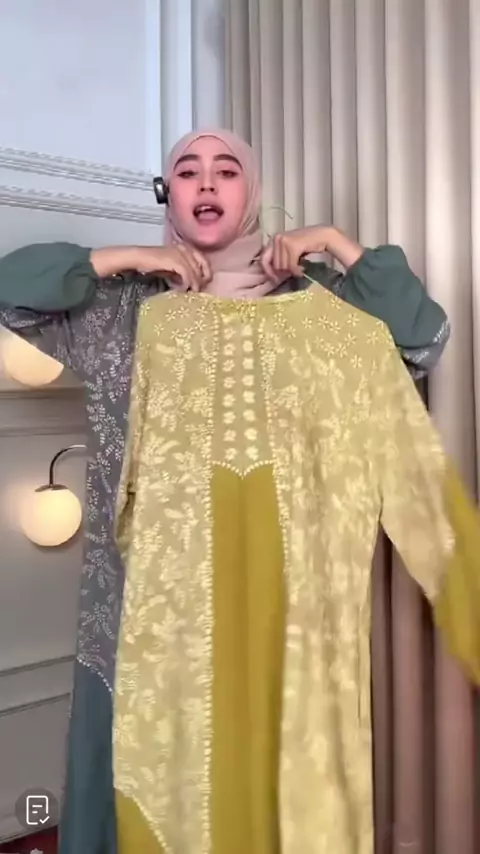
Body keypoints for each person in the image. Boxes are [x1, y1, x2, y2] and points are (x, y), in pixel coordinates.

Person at [0, 129, 450, 854]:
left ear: (252, 192)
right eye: (187, 171)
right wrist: (128, 256)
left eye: (226, 170)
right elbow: (11, 292)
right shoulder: (121, 305)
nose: (207, 183)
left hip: (280, 602)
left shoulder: (317, 298)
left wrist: (333, 242)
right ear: (168, 193)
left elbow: (421, 339)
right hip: (144, 601)